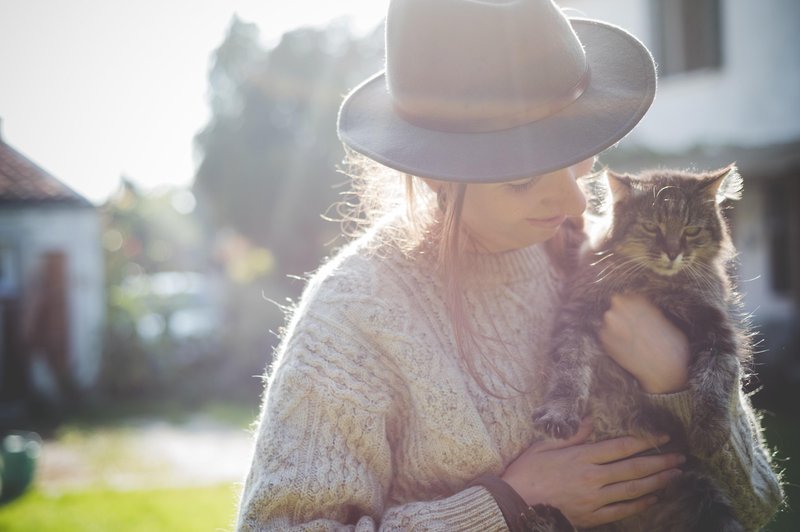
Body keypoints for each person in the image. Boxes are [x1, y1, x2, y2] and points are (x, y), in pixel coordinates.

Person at [236, 0, 783, 530]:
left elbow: (756, 499)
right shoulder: (353, 319)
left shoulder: (592, 259)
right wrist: (509, 505)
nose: (573, 206)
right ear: (435, 172)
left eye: (578, 163)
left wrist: (676, 375)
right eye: (523, 182)